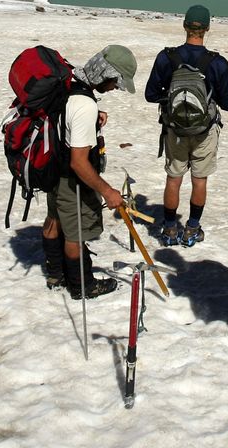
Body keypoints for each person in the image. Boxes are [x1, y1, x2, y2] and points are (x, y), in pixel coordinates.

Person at [41, 45, 138, 300]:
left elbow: (66, 118)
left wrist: (94, 117)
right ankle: (81, 285)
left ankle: (55, 273)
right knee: (75, 232)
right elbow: (79, 163)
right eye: (116, 83)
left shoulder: (70, 79)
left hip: (51, 167)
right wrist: (107, 191)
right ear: (106, 74)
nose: (115, 88)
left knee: (55, 218)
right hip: (70, 180)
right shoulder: (84, 105)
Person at [144, 4, 228, 248]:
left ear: (184, 26)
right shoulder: (218, 62)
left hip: (174, 130)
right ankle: (192, 229)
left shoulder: (167, 57)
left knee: (173, 178)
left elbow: (150, 94)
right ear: (207, 29)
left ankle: (170, 229)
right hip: (204, 131)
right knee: (199, 179)